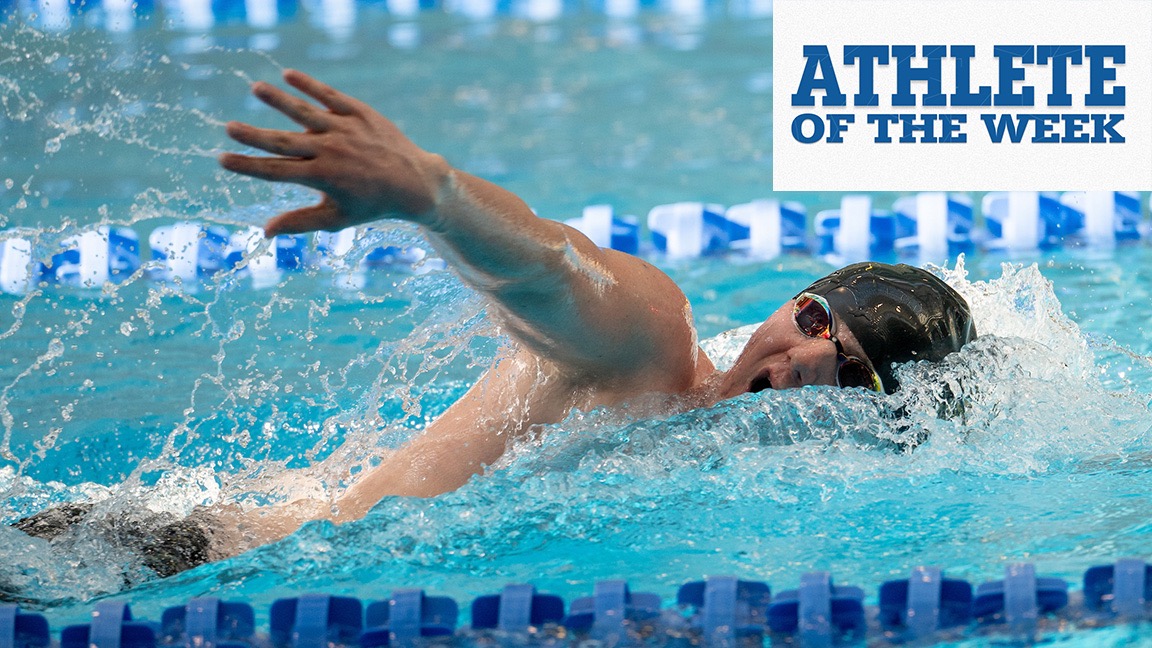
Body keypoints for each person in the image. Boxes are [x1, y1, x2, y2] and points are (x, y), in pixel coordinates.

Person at [13, 70, 976, 576]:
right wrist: (431, 194)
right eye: (819, 324)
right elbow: (550, 268)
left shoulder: (728, 475)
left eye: (856, 385)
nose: (809, 365)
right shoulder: (652, 341)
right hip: (188, 553)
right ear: (801, 301)